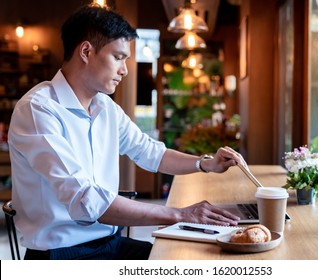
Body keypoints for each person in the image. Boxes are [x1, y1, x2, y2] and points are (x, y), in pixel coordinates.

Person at [7, 4, 246, 260]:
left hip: (110, 243)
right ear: (86, 51)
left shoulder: (105, 107)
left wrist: (205, 163)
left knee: (193, 259)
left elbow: (150, 152)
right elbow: (86, 200)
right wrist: (181, 214)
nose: (125, 70)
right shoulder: (38, 109)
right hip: (61, 256)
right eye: (118, 57)